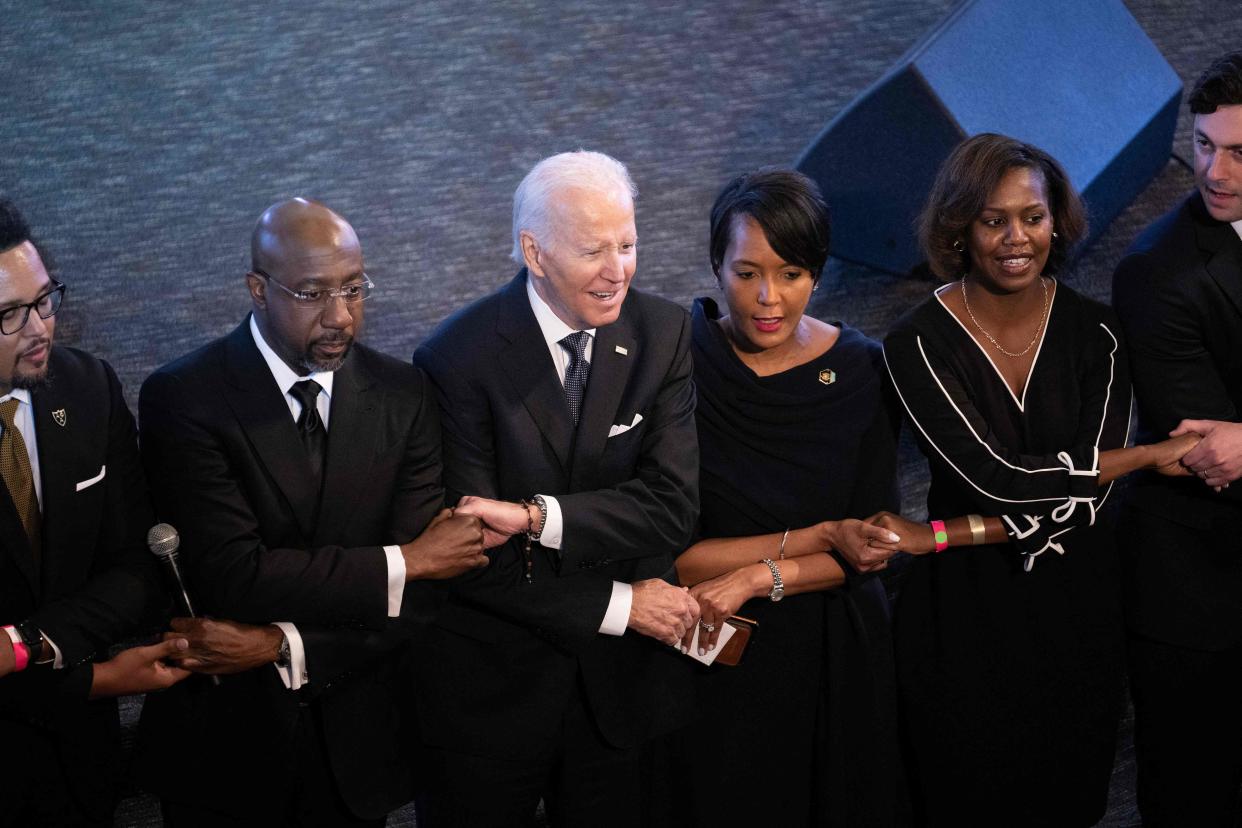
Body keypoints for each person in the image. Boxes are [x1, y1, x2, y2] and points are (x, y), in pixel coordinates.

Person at [876, 134, 1198, 826]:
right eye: (993, 220)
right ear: (960, 226)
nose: (1016, 238)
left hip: (1077, 615)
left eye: (1033, 216)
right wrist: (1143, 456)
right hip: (963, 619)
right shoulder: (915, 342)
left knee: (1071, 801)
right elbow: (996, 479)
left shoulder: (1101, 335)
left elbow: (1091, 505)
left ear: (1057, 221)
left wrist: (936, 536)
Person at [135, 198, 488, 826]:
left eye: (354, 288)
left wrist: (279, 641)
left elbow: (429, 593)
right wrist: (403, 561)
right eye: (312, 293)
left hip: (359, 744)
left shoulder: (404, 395)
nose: (341, 317)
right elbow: (235, 576)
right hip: (226, 749)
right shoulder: (185, 397)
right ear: (257, 289)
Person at [412, 150, 701, 828]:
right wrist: (620, 603)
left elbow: (673, 506)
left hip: (621, 696)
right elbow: (470, 552)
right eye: (593, 250)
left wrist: (535, 517)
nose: (617, 270)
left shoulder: (662, 333)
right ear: (534, 253)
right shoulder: (456, 358)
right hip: (493, 695)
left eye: (628, 243)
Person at [671, 168, 904, 827]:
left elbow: (875, 545)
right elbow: (671, 558)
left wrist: (757, 574)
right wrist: (821, 535)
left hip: (833, 646)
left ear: (818, 274)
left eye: (792, 273)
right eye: (747, 273)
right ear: (716, 266)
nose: (768, 297)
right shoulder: (674, 361)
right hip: (705, 648)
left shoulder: (862, 369)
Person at [0, 198, 191, 827]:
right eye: (9, 315)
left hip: (82, 769)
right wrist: (89, 681)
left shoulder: (86, 389)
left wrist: (26, 645)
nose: (41, 329)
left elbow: (138, 564)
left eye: (44, 299)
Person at [1112, 51, 1242, 826]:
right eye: (1202, 144)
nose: (1214, 170)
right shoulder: (1157, 270)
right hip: (1203, 590)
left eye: (1237, 151)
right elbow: (1215, 457)